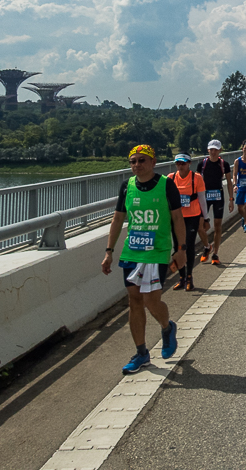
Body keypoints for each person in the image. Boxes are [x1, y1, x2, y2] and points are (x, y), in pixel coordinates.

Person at [101, 144, 184, 374]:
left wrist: (181, 249)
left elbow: (178, 218)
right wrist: (109, 251)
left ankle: (167, 328)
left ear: (153, 162)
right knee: (134, 299)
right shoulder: (126, 187)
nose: (136, 165)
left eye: (142, 160)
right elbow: (117, 220)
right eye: (133, 161)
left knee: (150, 300)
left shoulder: (167, 185)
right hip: (132, 251)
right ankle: (141, 353)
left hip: (157, 252)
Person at [168, 153, 207, 291]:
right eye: (178, 163)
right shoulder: (170, 178)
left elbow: (202, 199)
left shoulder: (196, 178)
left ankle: (190, 277)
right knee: (177, 247)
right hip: (176, 218)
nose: (180, 166)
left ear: (189, 163)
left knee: (188, 246)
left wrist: (206, 218)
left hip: (192, 217)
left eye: (183, 163)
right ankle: (181, 278)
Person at [197, 139, 234, 266]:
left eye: (216, 149)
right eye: (211, 149)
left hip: (218, 196)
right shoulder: (202, 164)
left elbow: (229, 182)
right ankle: (207, 246)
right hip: (204, 197)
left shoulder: (224, 164)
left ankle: (215, 254)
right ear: (208, 150)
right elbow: (196, 183)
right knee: (200, 226)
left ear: (220, 150)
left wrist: (231, 199)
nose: (213, 152)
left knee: (218, 226)